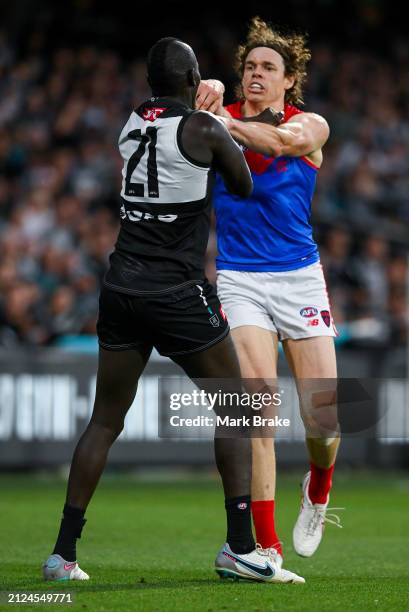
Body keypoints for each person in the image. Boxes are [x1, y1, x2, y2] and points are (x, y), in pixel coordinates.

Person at [42, 37, 304, 584]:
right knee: (239, 408)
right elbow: (243, 181)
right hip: (176, 292)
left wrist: (196, 98)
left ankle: (63, 554)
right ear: (191, 79)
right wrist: (217, 113)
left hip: (120, 287)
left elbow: (167, 127)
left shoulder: (131, 123)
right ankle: (239, 547)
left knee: (104, 419)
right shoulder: (204, 129)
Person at [197, 17, 342, 560]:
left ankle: (318, 488)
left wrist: (219, 125)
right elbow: (179, 116)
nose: (257, 74)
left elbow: (281, 145)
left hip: (299, 275)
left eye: (268, 68)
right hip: (240, 278)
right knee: (257, 408)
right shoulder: (219, 116)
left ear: (288, 80)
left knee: (322, 418)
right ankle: (267, 545)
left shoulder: (311, 124)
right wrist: (202, 94)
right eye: (250, 67)